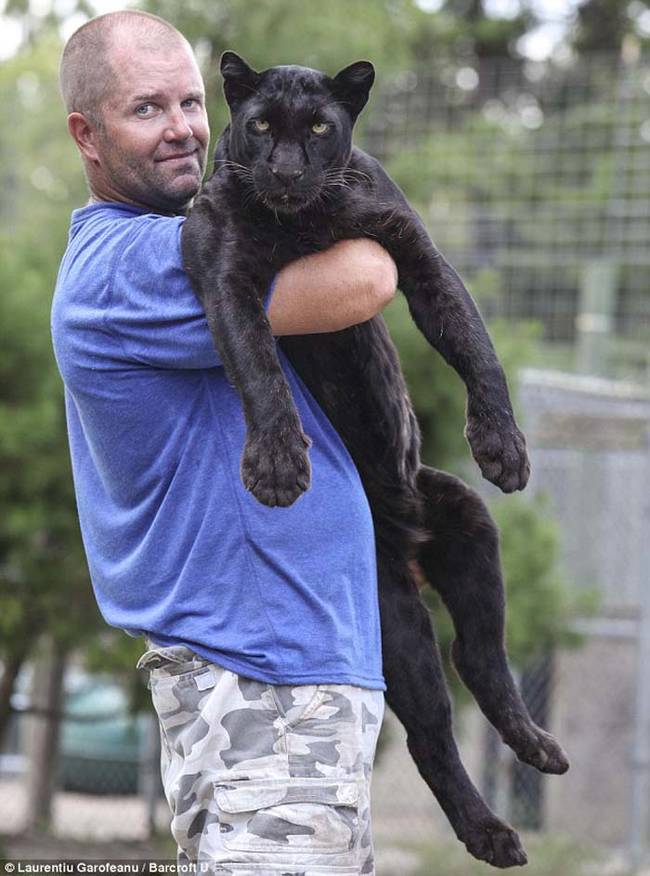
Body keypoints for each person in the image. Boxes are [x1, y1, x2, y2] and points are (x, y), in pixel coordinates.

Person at [52, 9, 398, 874]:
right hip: (260, 687)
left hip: (290, 684)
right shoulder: (133, 263)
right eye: (146, 109)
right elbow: (365, 275)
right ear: (86, 134)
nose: (182, 129)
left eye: (191, 102)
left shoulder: (192, 238)